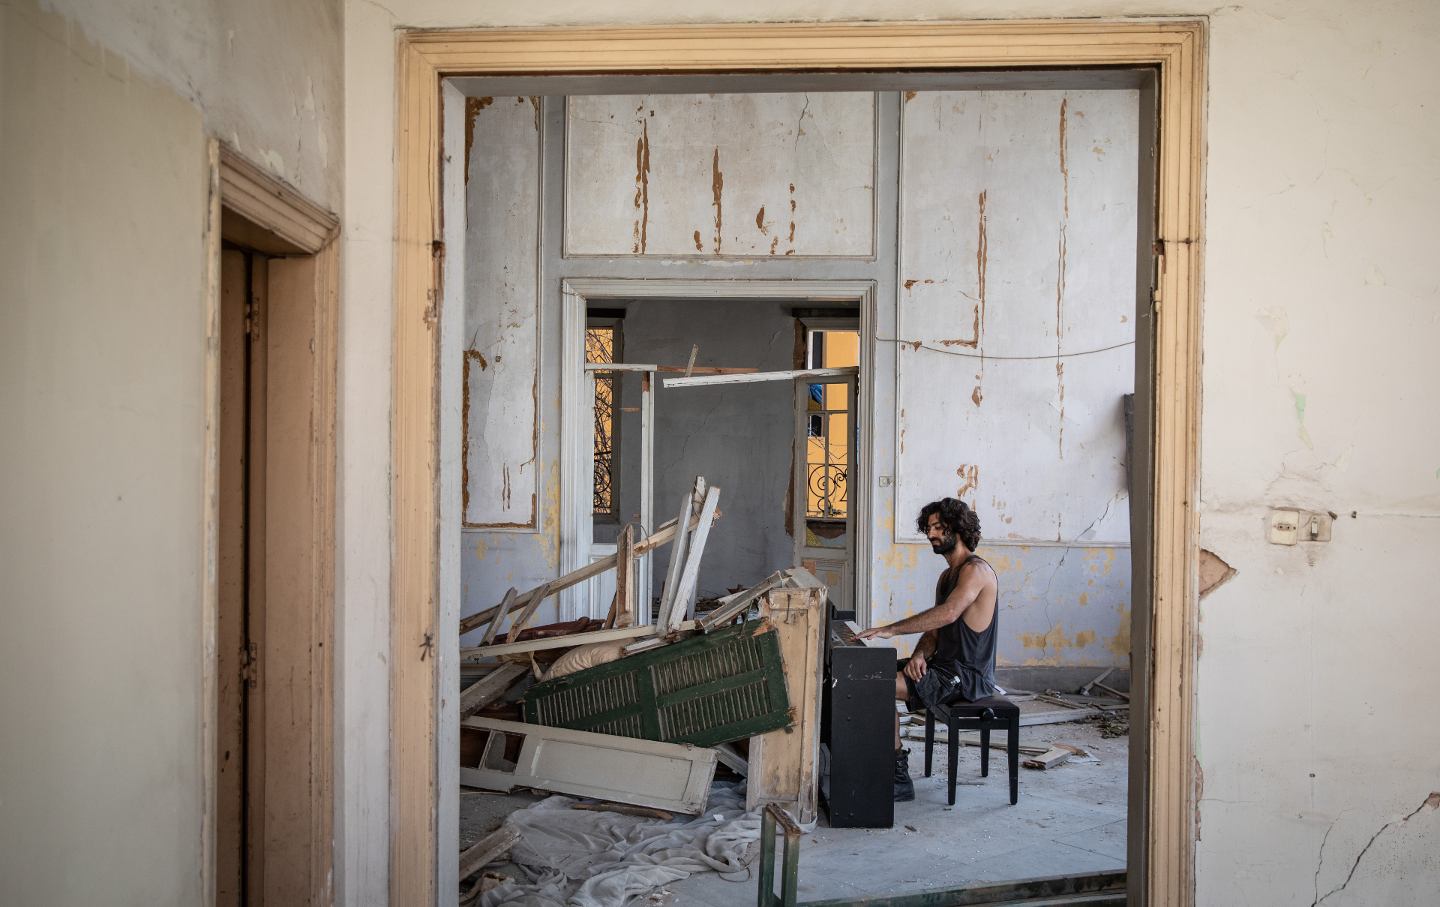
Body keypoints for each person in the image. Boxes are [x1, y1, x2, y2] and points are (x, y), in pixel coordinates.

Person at [857, 497, 999, 802]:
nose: (931, 534)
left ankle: (897, 778)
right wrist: (921, 653)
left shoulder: (976, 571)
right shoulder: (947, 575)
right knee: (868, 673)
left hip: (967, 676)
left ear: (957, 528)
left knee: (875, 687)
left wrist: (891, 629)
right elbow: (935, 630)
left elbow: (948, 613)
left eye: (938, 527)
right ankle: (871, 764)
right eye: (929, 528)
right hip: (941, 665)